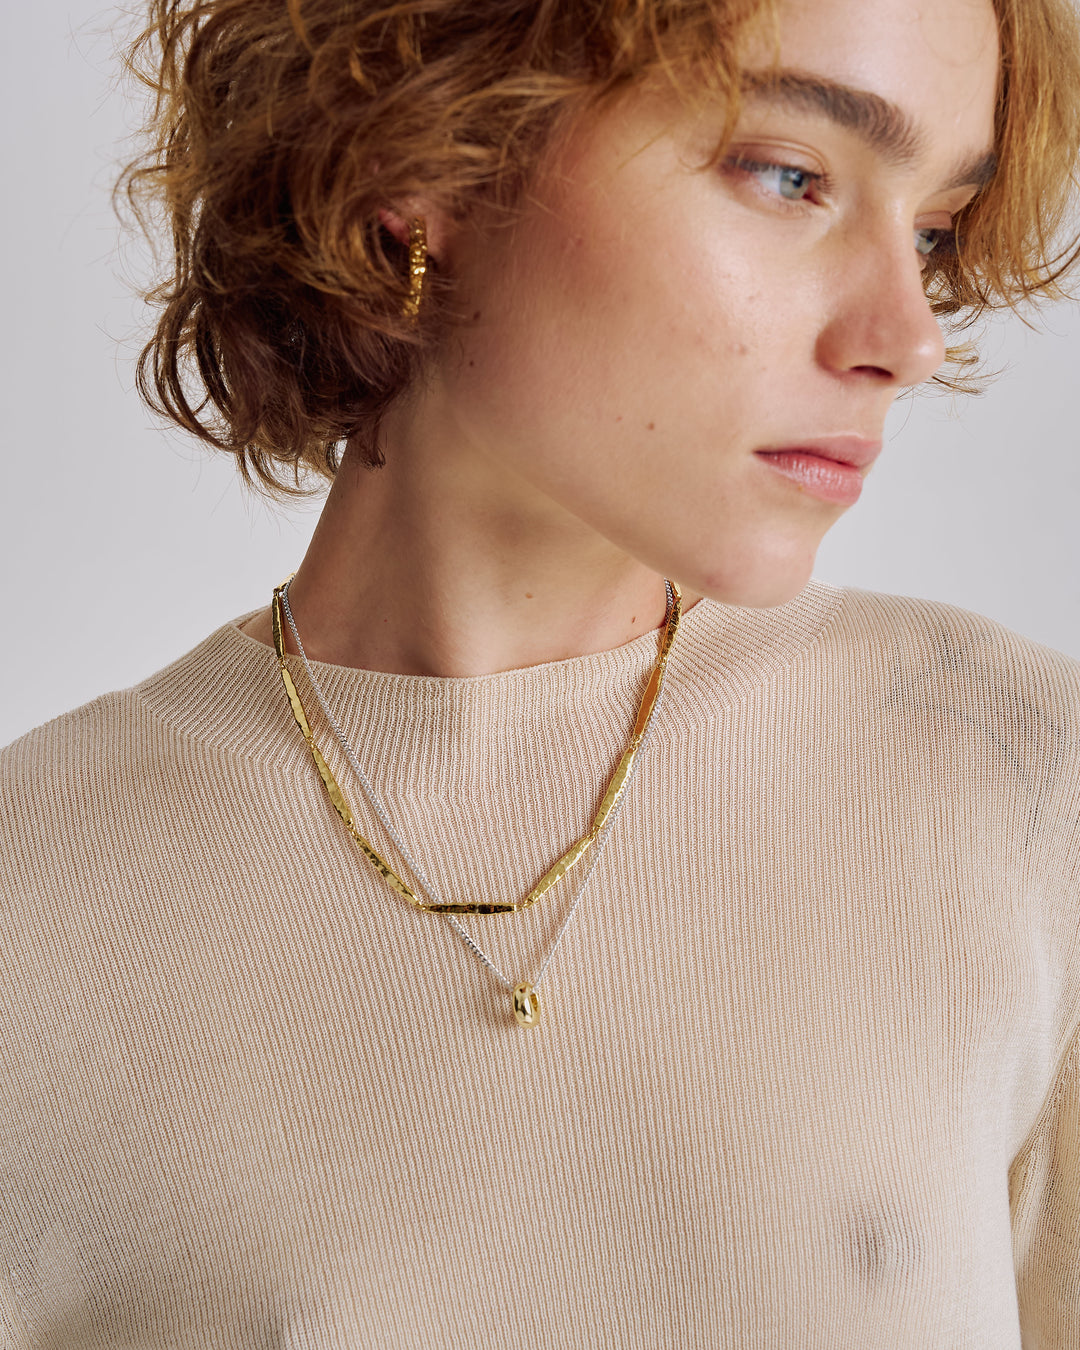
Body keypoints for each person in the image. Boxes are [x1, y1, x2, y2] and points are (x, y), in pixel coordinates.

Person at [2, 0, 1079, 1344]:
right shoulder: (35, 895)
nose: (907, 336)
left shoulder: (1021, 782)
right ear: (422, 158)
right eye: (788, 176)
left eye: (933, 232)